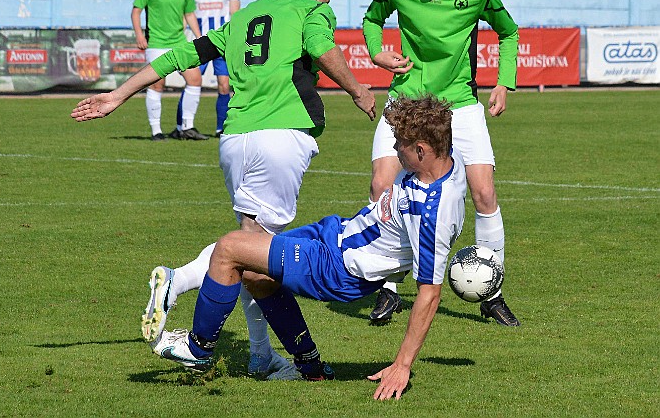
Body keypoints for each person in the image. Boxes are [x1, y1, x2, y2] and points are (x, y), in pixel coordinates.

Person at [71, 0, 376, 378]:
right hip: (280, 138)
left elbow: (181, 55)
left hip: (234, 140)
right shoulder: (313, 11)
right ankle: (177, 281)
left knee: (253, 256)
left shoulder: (245, 15)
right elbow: (323, 47)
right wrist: (358, 89)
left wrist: (119, 94)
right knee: (254, 252)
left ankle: (261, 356)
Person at [151, 95, 467, 400]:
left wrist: (402, 365)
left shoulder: (432, 213)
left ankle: (198, 349)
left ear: (423, 150)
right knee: (254, 273)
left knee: (230, 248)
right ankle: (310, 368)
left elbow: (429, 292)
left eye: (401, 145)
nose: (396, 150)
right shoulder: (445, 161)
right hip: (335, 234)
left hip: (339, 267)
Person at [362, 0, 521, 327]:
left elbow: (509, 31)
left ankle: (492, 292)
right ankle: (388, 288)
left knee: (484, 192)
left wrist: (504, 83)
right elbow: (371, 19)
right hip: (406, 102)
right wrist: (377, 51)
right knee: (383, 186)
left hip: (459, 105)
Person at [131, 0, 208, 141]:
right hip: (156, 43)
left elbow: (189, 14)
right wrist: (140, 35)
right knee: (157, 85)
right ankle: (156, 131)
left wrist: (199, 37)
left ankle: (187, 127)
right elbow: (136, 11)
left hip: (179, 42)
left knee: (195, 79)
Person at [175, 0, 240, 138]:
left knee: (224, 85)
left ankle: (221, 129)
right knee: (191, 82)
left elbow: (235, 14)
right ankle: (181, 127)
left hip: (222, 42)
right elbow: (185, 14)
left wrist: (234, 40)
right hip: (199, 42)